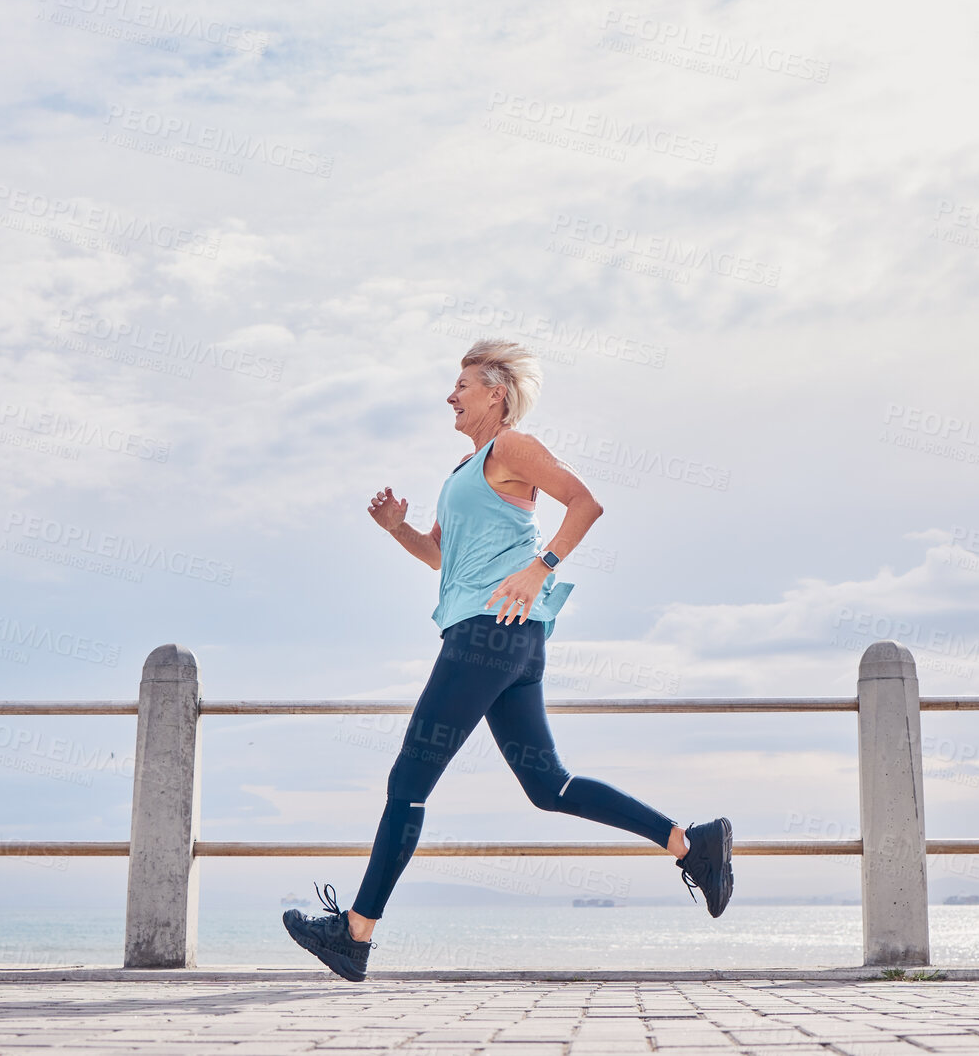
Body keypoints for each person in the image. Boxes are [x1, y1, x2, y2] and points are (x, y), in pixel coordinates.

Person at [282, 338, 733, 982]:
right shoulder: (463, 471)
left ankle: (355, 933)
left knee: (408, 783)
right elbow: (441, 558)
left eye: (461, 386)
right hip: (505, 639)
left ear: (496, 393)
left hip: (489, 634)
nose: (450, 396)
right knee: (549, 787)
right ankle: (692, 844)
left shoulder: (511, 448)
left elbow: (586, 503)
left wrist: (538, 568)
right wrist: (394, 529)